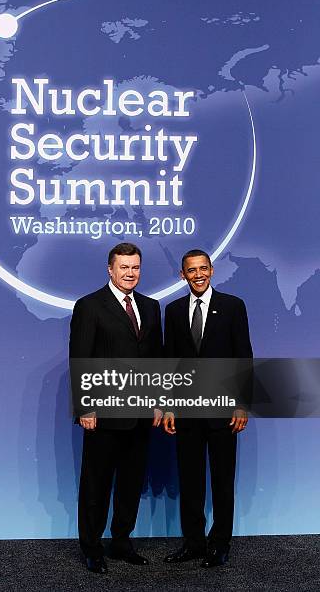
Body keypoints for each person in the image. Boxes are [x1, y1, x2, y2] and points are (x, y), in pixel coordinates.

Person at [69, 242, 163, 574]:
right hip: (103, 413)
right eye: (124, 267)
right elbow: (80, 358)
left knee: (130, 482)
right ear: (110, 269)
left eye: (135, 267)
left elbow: (155, 361)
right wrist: (86, 408)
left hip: (139, 413)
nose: (130, 273)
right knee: (96, 483)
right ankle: (92, 548)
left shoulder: (151, 307)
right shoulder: (90, 306)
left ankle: (121, 541)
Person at [163, 249, 253, 568]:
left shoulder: (232, 306)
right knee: (190, 481)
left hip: (223, 412)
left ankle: (220, 543)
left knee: (221, 480)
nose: (198, 274)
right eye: (191, 270)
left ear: (212, 271)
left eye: (203, 268)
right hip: (186, 412)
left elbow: (243, 356)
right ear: (182, 275)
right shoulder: (173, 311)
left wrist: (242, 404)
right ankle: (194, 543)